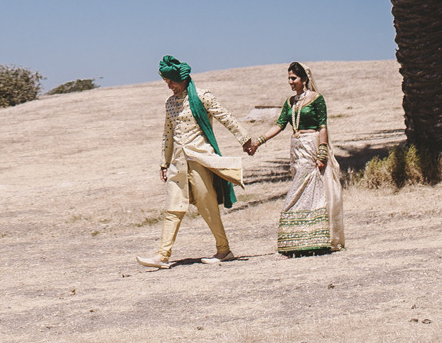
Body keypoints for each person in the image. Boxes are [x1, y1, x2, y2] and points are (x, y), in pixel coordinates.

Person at [138, 55, 246, 269]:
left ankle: (224, 250)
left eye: (172, 81)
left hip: (199, 161)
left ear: (183, 78)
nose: (170, 86)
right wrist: (163, 162)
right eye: (167, 82)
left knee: (207, 208)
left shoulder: (202, 97)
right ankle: (163, 255)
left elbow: (226, 117)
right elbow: (167, 134)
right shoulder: (169, 104)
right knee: (172, 208)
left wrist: (245, 139)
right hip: (177, 165)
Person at [243, 61, 344, 255]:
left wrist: (322, 152)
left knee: (309, 190)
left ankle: (315, 239)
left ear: (304, 79)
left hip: (312, 145)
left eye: (294, 78)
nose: (290, 82)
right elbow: (279, 125)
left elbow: (322, 125)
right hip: (297, 150)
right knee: (302, 188)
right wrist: (258, 141)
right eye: (289, 78)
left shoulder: (316, 99)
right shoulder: (290, 102)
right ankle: (303, 239)